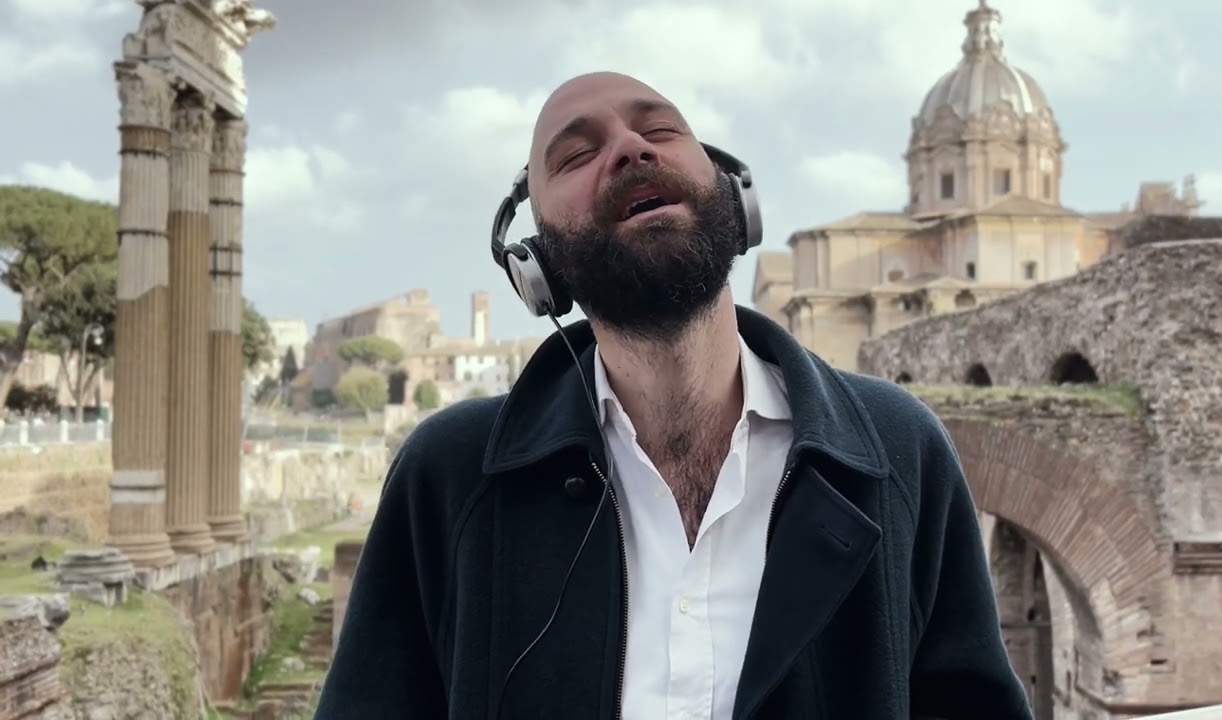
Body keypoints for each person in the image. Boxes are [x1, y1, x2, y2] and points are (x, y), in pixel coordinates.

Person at [314, 71, 1033, 719]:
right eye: (576, 155)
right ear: (535, 264)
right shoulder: (449, 475)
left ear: (732, 195)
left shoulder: (900, 451)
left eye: (659, 129)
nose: (630, 149)